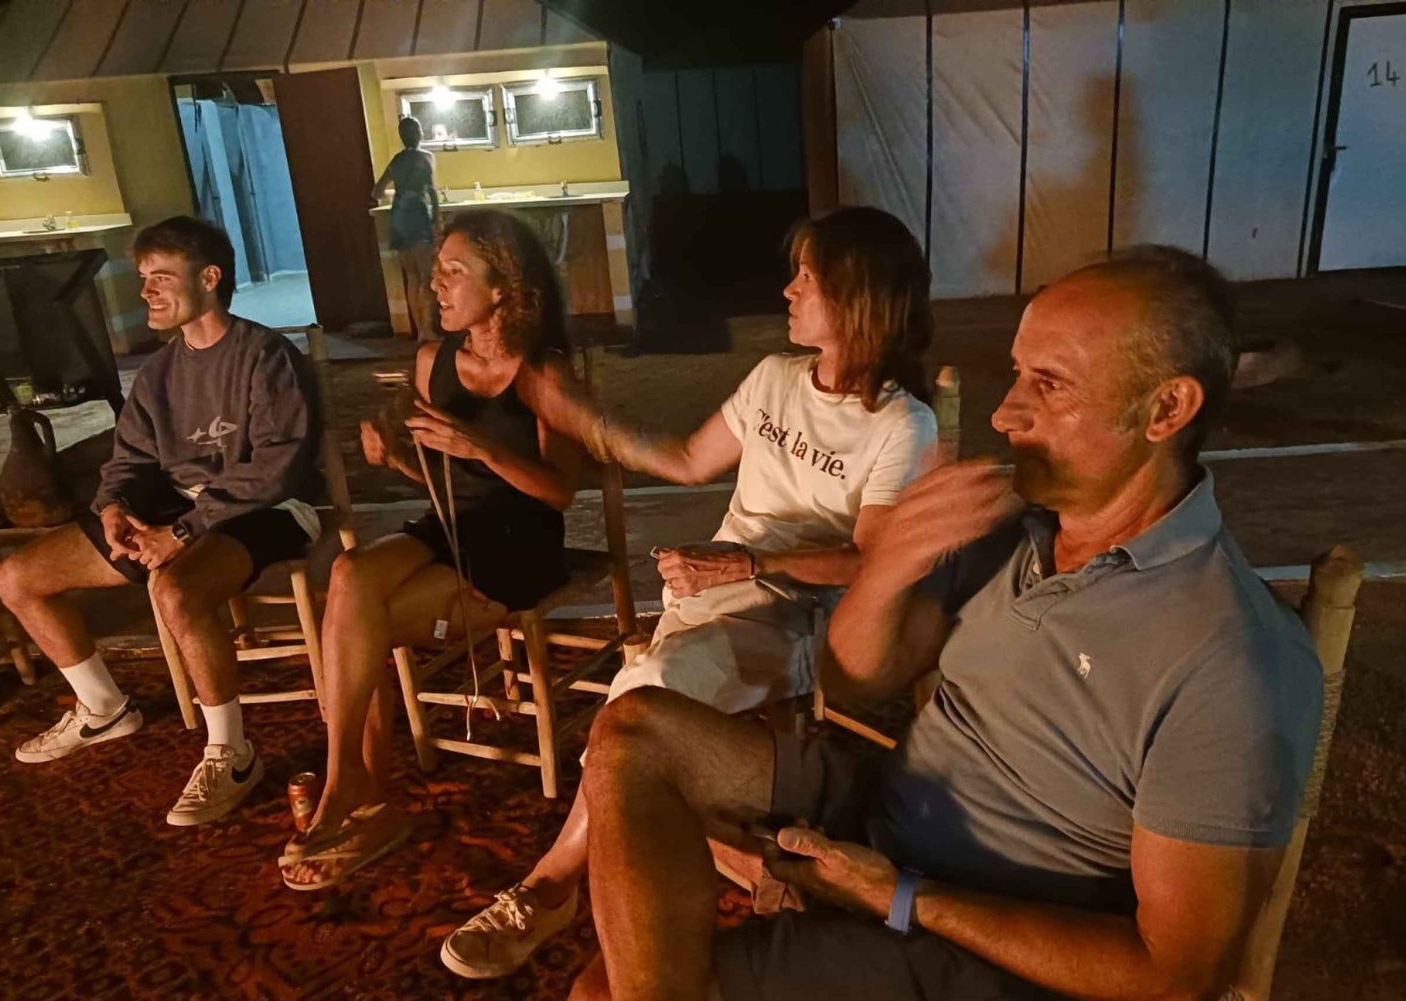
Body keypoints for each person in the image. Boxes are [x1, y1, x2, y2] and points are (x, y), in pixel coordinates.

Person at [572, 247, 1326, 1001]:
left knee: (601, 991)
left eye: (1049, 384)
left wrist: (899, 895)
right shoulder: (1013, 529)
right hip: (890, 809)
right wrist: (891, 562)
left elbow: (1174, 976)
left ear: (1166, 410)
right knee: (634, 731)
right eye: (1017, 373)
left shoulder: (1233, 658)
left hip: (991, 928)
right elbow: (854, 679)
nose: (1005, 413)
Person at [440, 206, 939, 980]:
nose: (787, 289)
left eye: (805, 277)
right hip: (714, 596)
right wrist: (588, 421)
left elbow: (870, 563)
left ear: (856, 297)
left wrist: (747, 566)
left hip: (799, 615)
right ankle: (736, 855)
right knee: (644, 698)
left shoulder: (901, 424)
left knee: (643, 695)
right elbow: (683, 458)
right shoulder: (775, 378)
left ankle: (550, 883)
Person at [278, 208, 587, 889]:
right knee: (351, 574)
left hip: (519, 543)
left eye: (454, 271)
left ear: (502, 287)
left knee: (356, 626)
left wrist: (480, 446)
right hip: (448, 526)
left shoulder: (544, 373)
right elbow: (445, 479)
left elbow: (561, 492)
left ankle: (363, 795)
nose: (434, 283)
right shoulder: (431, 362)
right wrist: (397, 458)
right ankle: (348, 778)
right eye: (437, 269)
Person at [0, 215, 322, 827]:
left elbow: (276, 470)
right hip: (177, 507)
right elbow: (129, 459)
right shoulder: (159, 371)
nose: (146, 291)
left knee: (175, 591)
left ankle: (232, 754)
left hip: (268, 509)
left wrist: (184, 531)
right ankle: (104, 708)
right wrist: (113, 508)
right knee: (16, 577)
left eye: (161, 277)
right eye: (143, 277)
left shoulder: (266, 356)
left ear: (209, 278)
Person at [373, 116, 440, 340]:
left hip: (399, 217)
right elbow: (431, 190)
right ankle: (429, 329)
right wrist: (437, 219)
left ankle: (420, 330)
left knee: (412, 277)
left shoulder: (396, 160)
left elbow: (376, 192)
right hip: (418, 215)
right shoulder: (426, 157)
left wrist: (399, 193)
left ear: (401, 137)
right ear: (419, 134)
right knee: (426, 276)